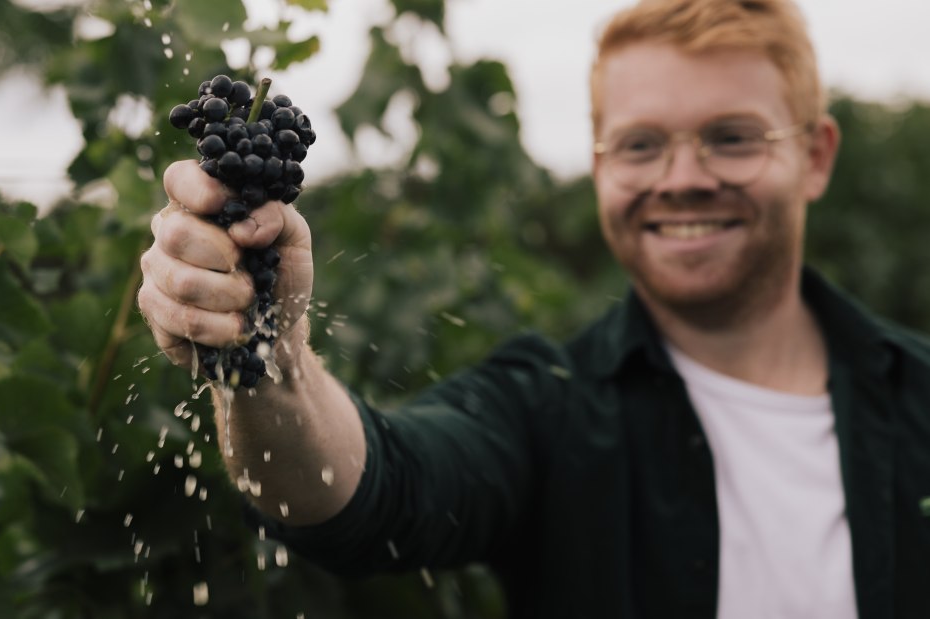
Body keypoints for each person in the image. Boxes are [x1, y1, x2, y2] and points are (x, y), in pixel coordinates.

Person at [136, 0, 930, 616]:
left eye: (732, 137)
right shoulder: (546, 404)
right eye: (641, 143)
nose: (682, 176)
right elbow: (373, 495)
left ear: (816, 156)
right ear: (598, 162)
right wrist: (265, 358)